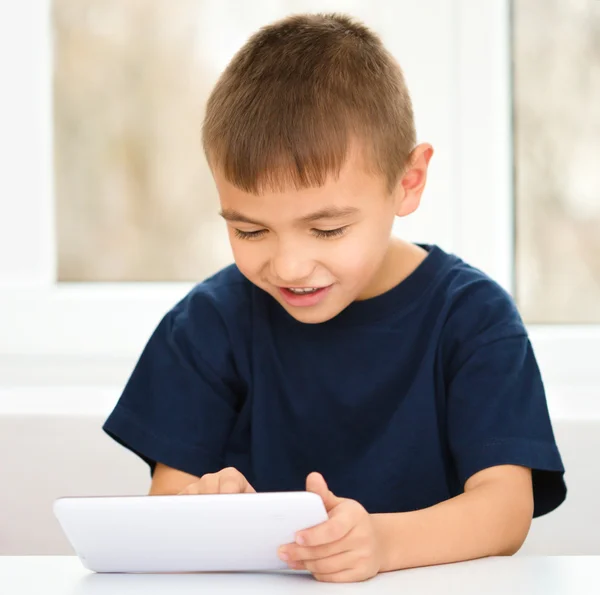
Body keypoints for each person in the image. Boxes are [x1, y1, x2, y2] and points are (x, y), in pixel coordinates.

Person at [103, 12, 566, 583]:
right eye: (250, 231)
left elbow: (505, 510)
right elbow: (167, 498)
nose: (289, 266)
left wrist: (383, 542)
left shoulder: (472, 319)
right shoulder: (207, 325)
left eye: (326, 230)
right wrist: (205, 505)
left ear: (408, 181)